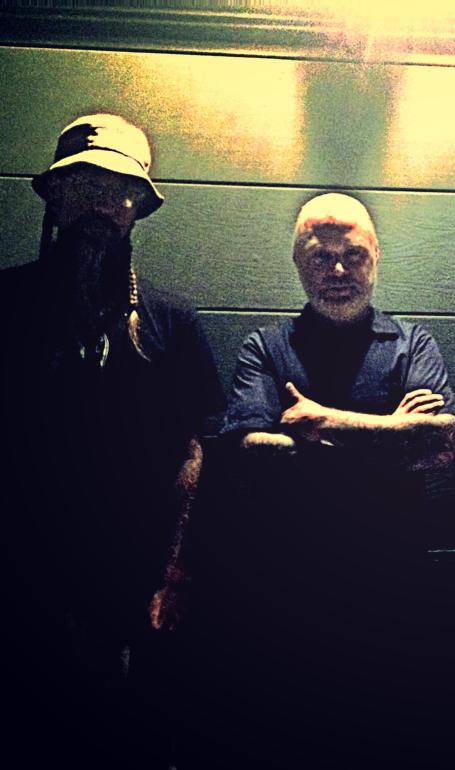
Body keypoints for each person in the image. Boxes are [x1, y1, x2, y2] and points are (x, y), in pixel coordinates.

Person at [0, 114, 224, 767]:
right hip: (17, 588)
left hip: (128, 591)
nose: (100, 205)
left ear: (138, 208)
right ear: (55, 196)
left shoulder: (171, 321)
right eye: (84, 186)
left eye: (118, 191)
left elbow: (194, 451)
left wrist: (175, 574)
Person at [212, 192, 455, 767]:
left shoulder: (412, 344)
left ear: (377, 256)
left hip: (395, 590)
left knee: (386, 741)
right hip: (289, 594)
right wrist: (392, 434)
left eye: (353, 255)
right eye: (321, 257)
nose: (339, 271)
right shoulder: (266, 347)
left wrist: (319, 423)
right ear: (298, 262)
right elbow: (251, 452)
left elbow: (442, 444)